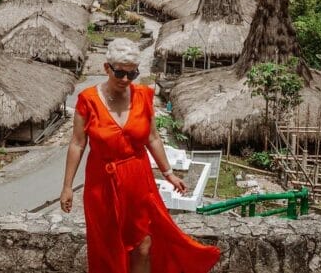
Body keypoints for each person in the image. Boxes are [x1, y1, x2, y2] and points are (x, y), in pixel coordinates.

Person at [60, 38, 220, 273]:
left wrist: (168, 173)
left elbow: (152, 138)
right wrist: (67, 186)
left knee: (143, 244)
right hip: (102, 183)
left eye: (132, 74)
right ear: (106, 68)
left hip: (138, 179)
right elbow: (77, 143)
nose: (126, 79)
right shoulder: (88, 100)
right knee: (108, 247)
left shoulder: (143, 96)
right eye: (120, 73)